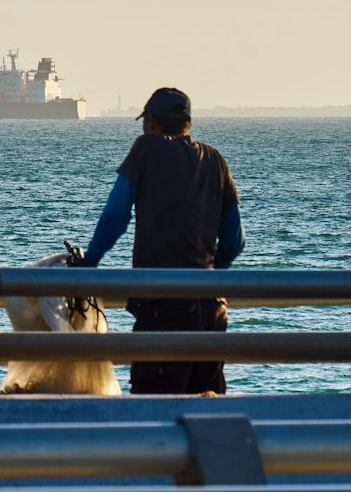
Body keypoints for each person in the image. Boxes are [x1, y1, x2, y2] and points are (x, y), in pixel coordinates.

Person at [73, 86, 243, 395]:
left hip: (165, 308)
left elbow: (115, 216)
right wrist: (208, 277)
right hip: (213, 310)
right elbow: (234, 240)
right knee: (207, 411)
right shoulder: (216, 160)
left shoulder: (147, 148)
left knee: (153, 413)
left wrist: (88, 264)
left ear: (151, 121)